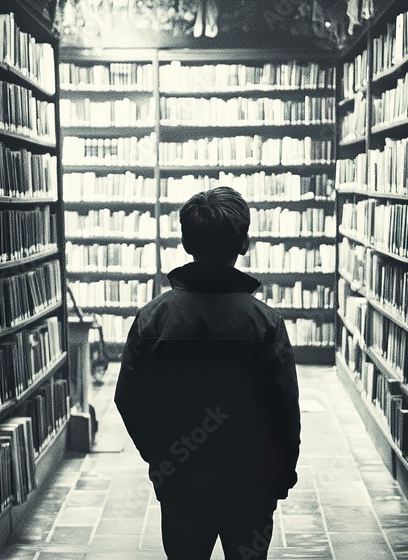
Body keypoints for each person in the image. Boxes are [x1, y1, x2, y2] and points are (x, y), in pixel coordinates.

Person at [114, 187, 301, 560]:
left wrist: (160, 457)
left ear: (185, 242)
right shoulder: (265, 323)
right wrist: (280, 475)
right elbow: (284, 409)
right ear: (244, 244)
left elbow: (128, 399)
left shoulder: (153, 319)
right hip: (251, 483)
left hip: (181, 482)